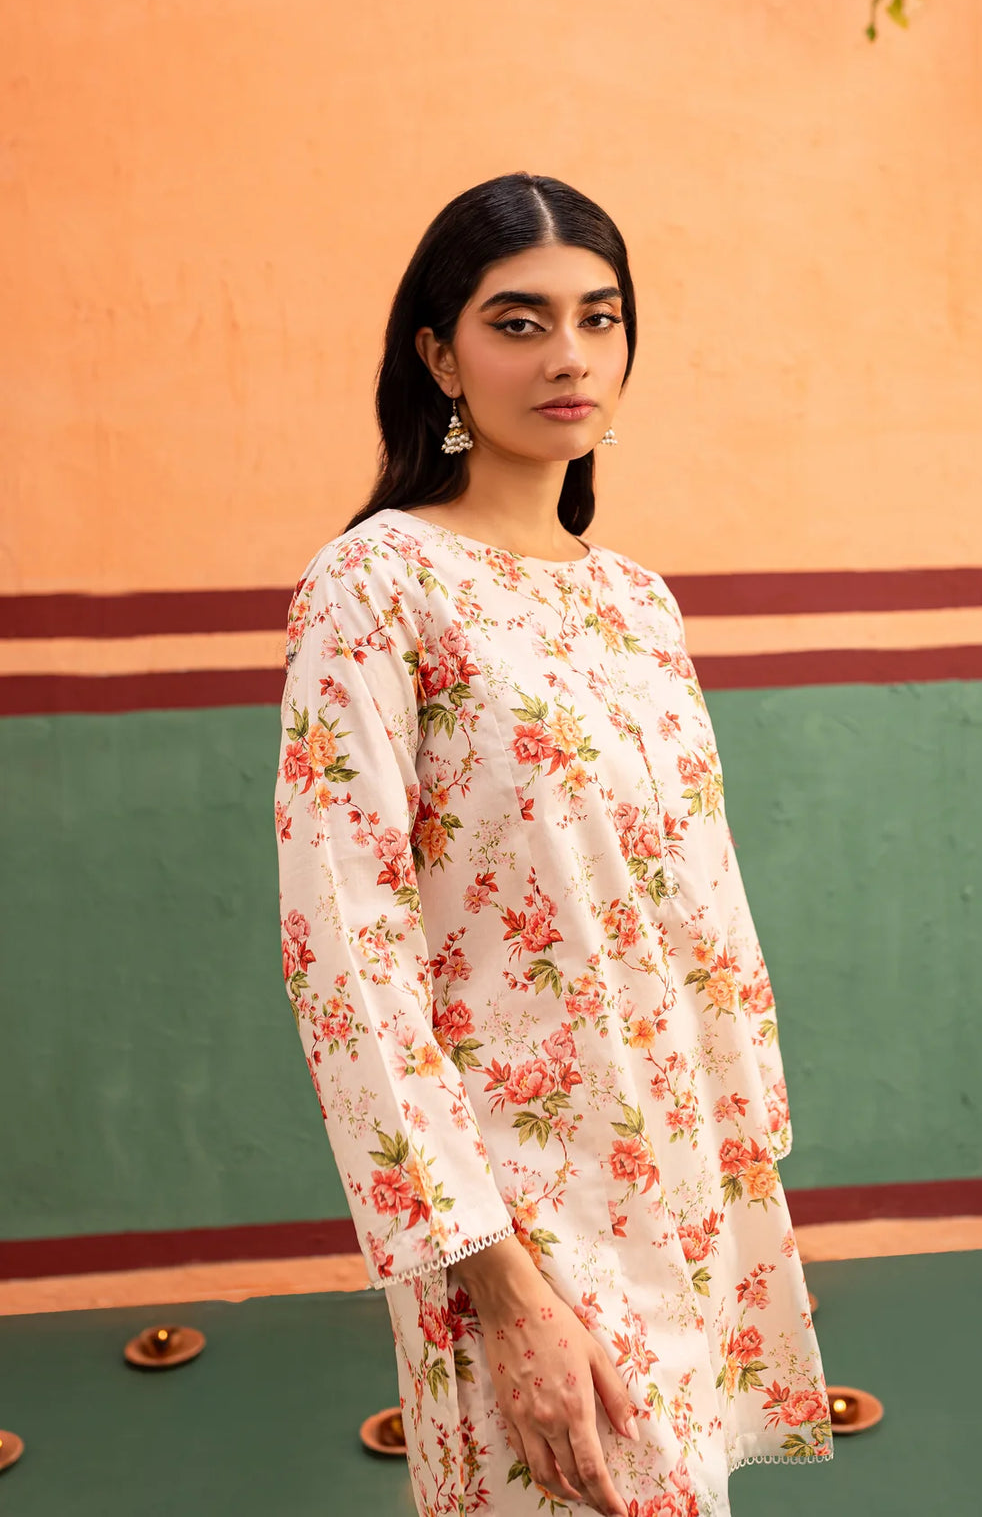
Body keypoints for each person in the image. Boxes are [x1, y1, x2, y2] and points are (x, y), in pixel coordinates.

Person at [275, 172, 833, 1517]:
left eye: (600, 316)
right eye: (518, 321)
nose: (570, 355)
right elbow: (345, 955)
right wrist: (498, 1285)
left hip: (682, 1180)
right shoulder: (375, 588)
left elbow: (698, 909)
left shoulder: (636, 603)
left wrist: (740, 1177)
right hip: (511, 1220)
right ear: (438, 355)